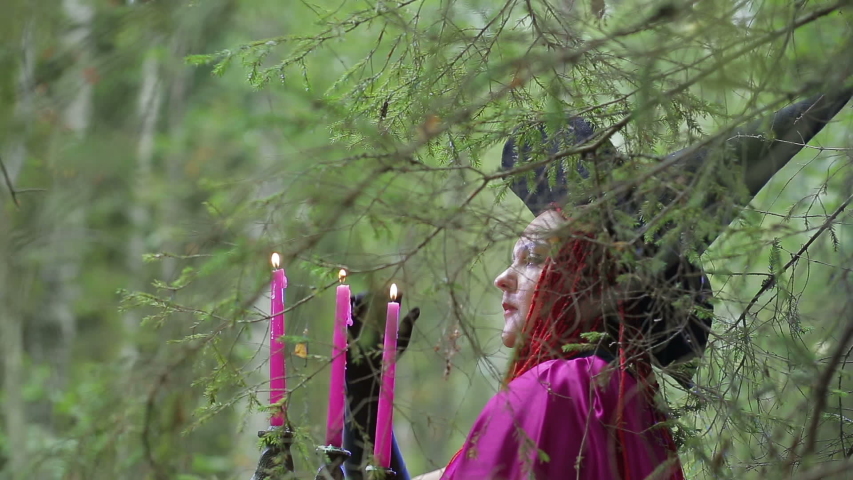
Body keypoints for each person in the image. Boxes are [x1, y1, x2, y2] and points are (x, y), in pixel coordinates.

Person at [338, 87, 853, 480]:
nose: (503, 277)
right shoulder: (628, 399)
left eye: (534, 257)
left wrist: (360, 410)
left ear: (587, 274)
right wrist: (365, 404)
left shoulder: (560, 389)